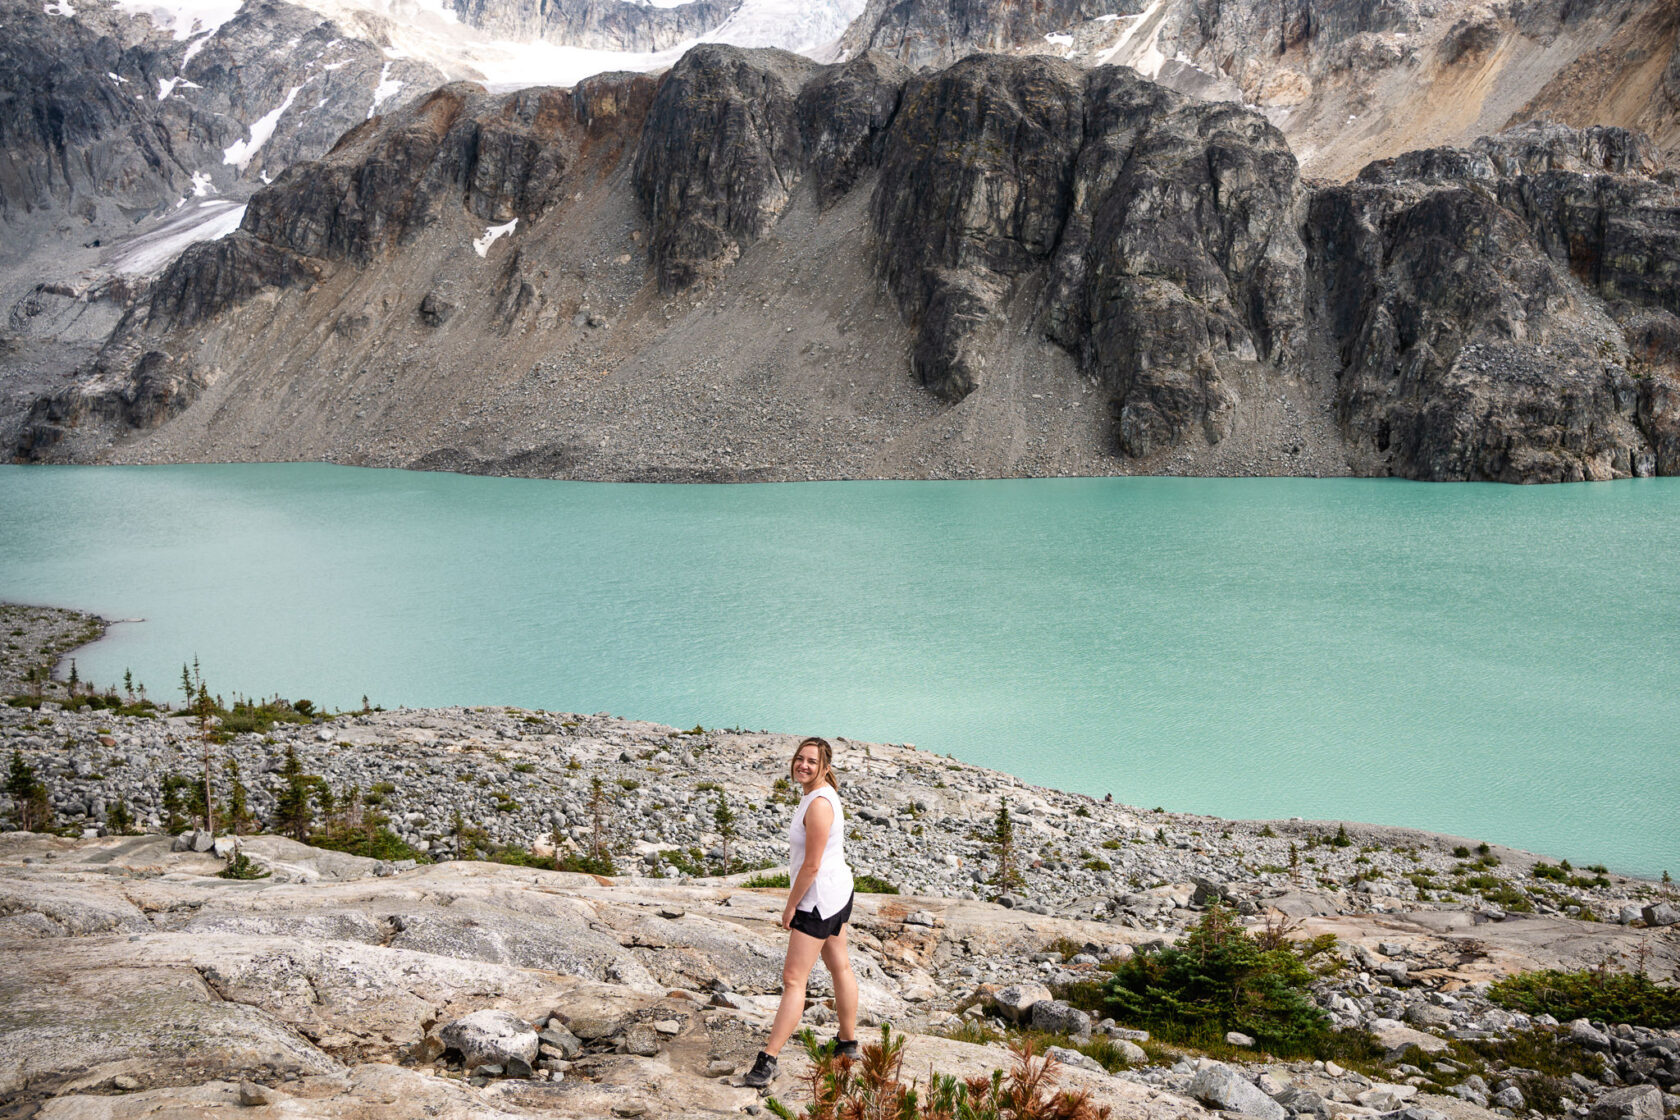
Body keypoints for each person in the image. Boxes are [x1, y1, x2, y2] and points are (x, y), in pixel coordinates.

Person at [742, 736, 858, 1089]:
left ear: (825, 767)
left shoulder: (819, 805)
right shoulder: (818, 795)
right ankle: (847, 1044)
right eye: (799, 759)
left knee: (794, 980)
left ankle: (769, 1058)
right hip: (838, 894)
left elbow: (810, 866)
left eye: (811, 761)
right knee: (841, 966)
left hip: (818, 902)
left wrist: (791, 906)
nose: (803, 765)